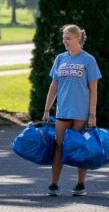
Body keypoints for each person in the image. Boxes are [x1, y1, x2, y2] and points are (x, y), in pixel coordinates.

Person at [43, 24, 102, 197]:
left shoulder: (88, 60)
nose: (65, 41)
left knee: (80, 147)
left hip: (82, 113)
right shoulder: (60, 59)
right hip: (63, 111)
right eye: (64, 38)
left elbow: (93, 89)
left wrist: (92, 114)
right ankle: (54, 185)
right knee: (59, 147)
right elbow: (54, 86)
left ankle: (80, 185)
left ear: (78, 38)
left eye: (68, 38)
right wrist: (47, 109)